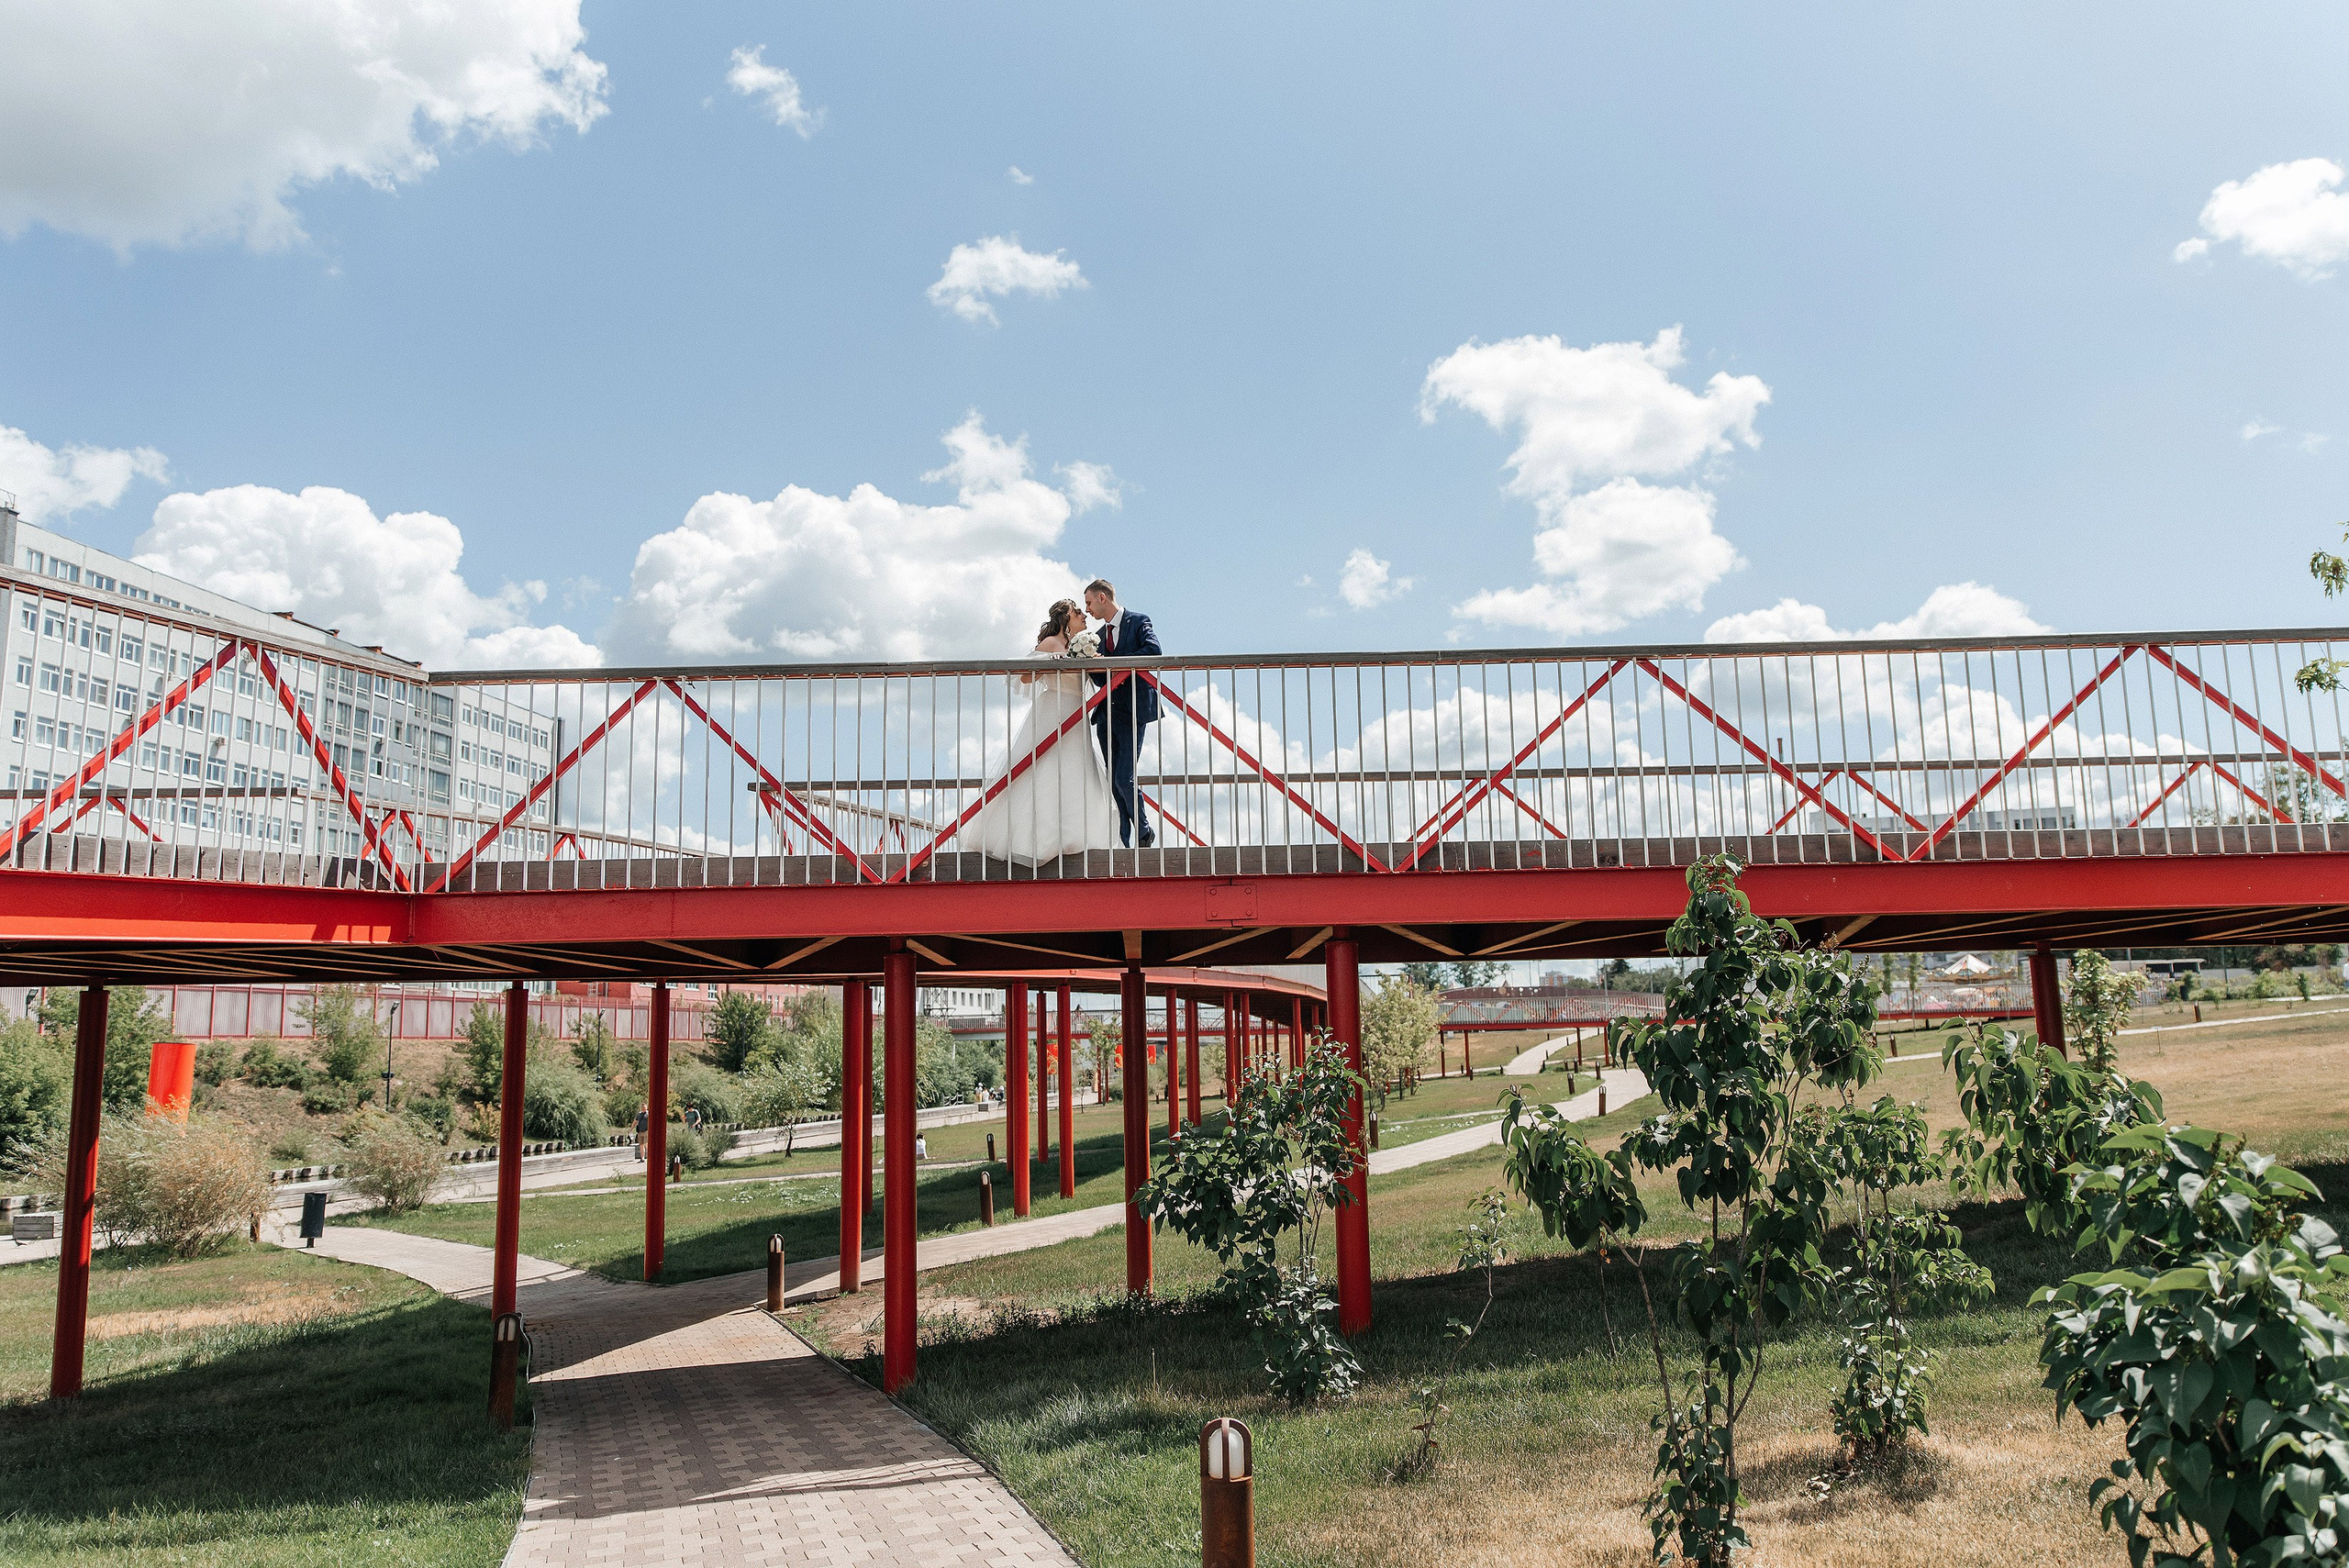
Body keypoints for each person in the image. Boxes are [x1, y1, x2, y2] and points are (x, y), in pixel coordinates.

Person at [969, 598, 1119, 863]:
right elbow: (1025, 676)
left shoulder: (1078, 645)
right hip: (1055, 707)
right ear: (1065, 618)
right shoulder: (1052, 643)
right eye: (1078, 612)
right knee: (1046, 765)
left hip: (1076, 711)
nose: (1084, 615)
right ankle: (1037, 838)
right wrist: (1052, 660)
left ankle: (1072, 836)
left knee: (1074, 767)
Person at [1083, 578, 1161, 847]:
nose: (1088, 609)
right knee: (1114, 782)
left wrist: (1116, 666)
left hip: (1133, 711)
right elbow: (1101, 680)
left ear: (1102, 598)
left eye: (1090, 603)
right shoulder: (1099, 637)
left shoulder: (1138, 621)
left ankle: (1144, 831)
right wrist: (1092, 666)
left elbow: (1153, 651)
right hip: (1106, 716)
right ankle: (1126, 842)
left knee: (1124, 777)